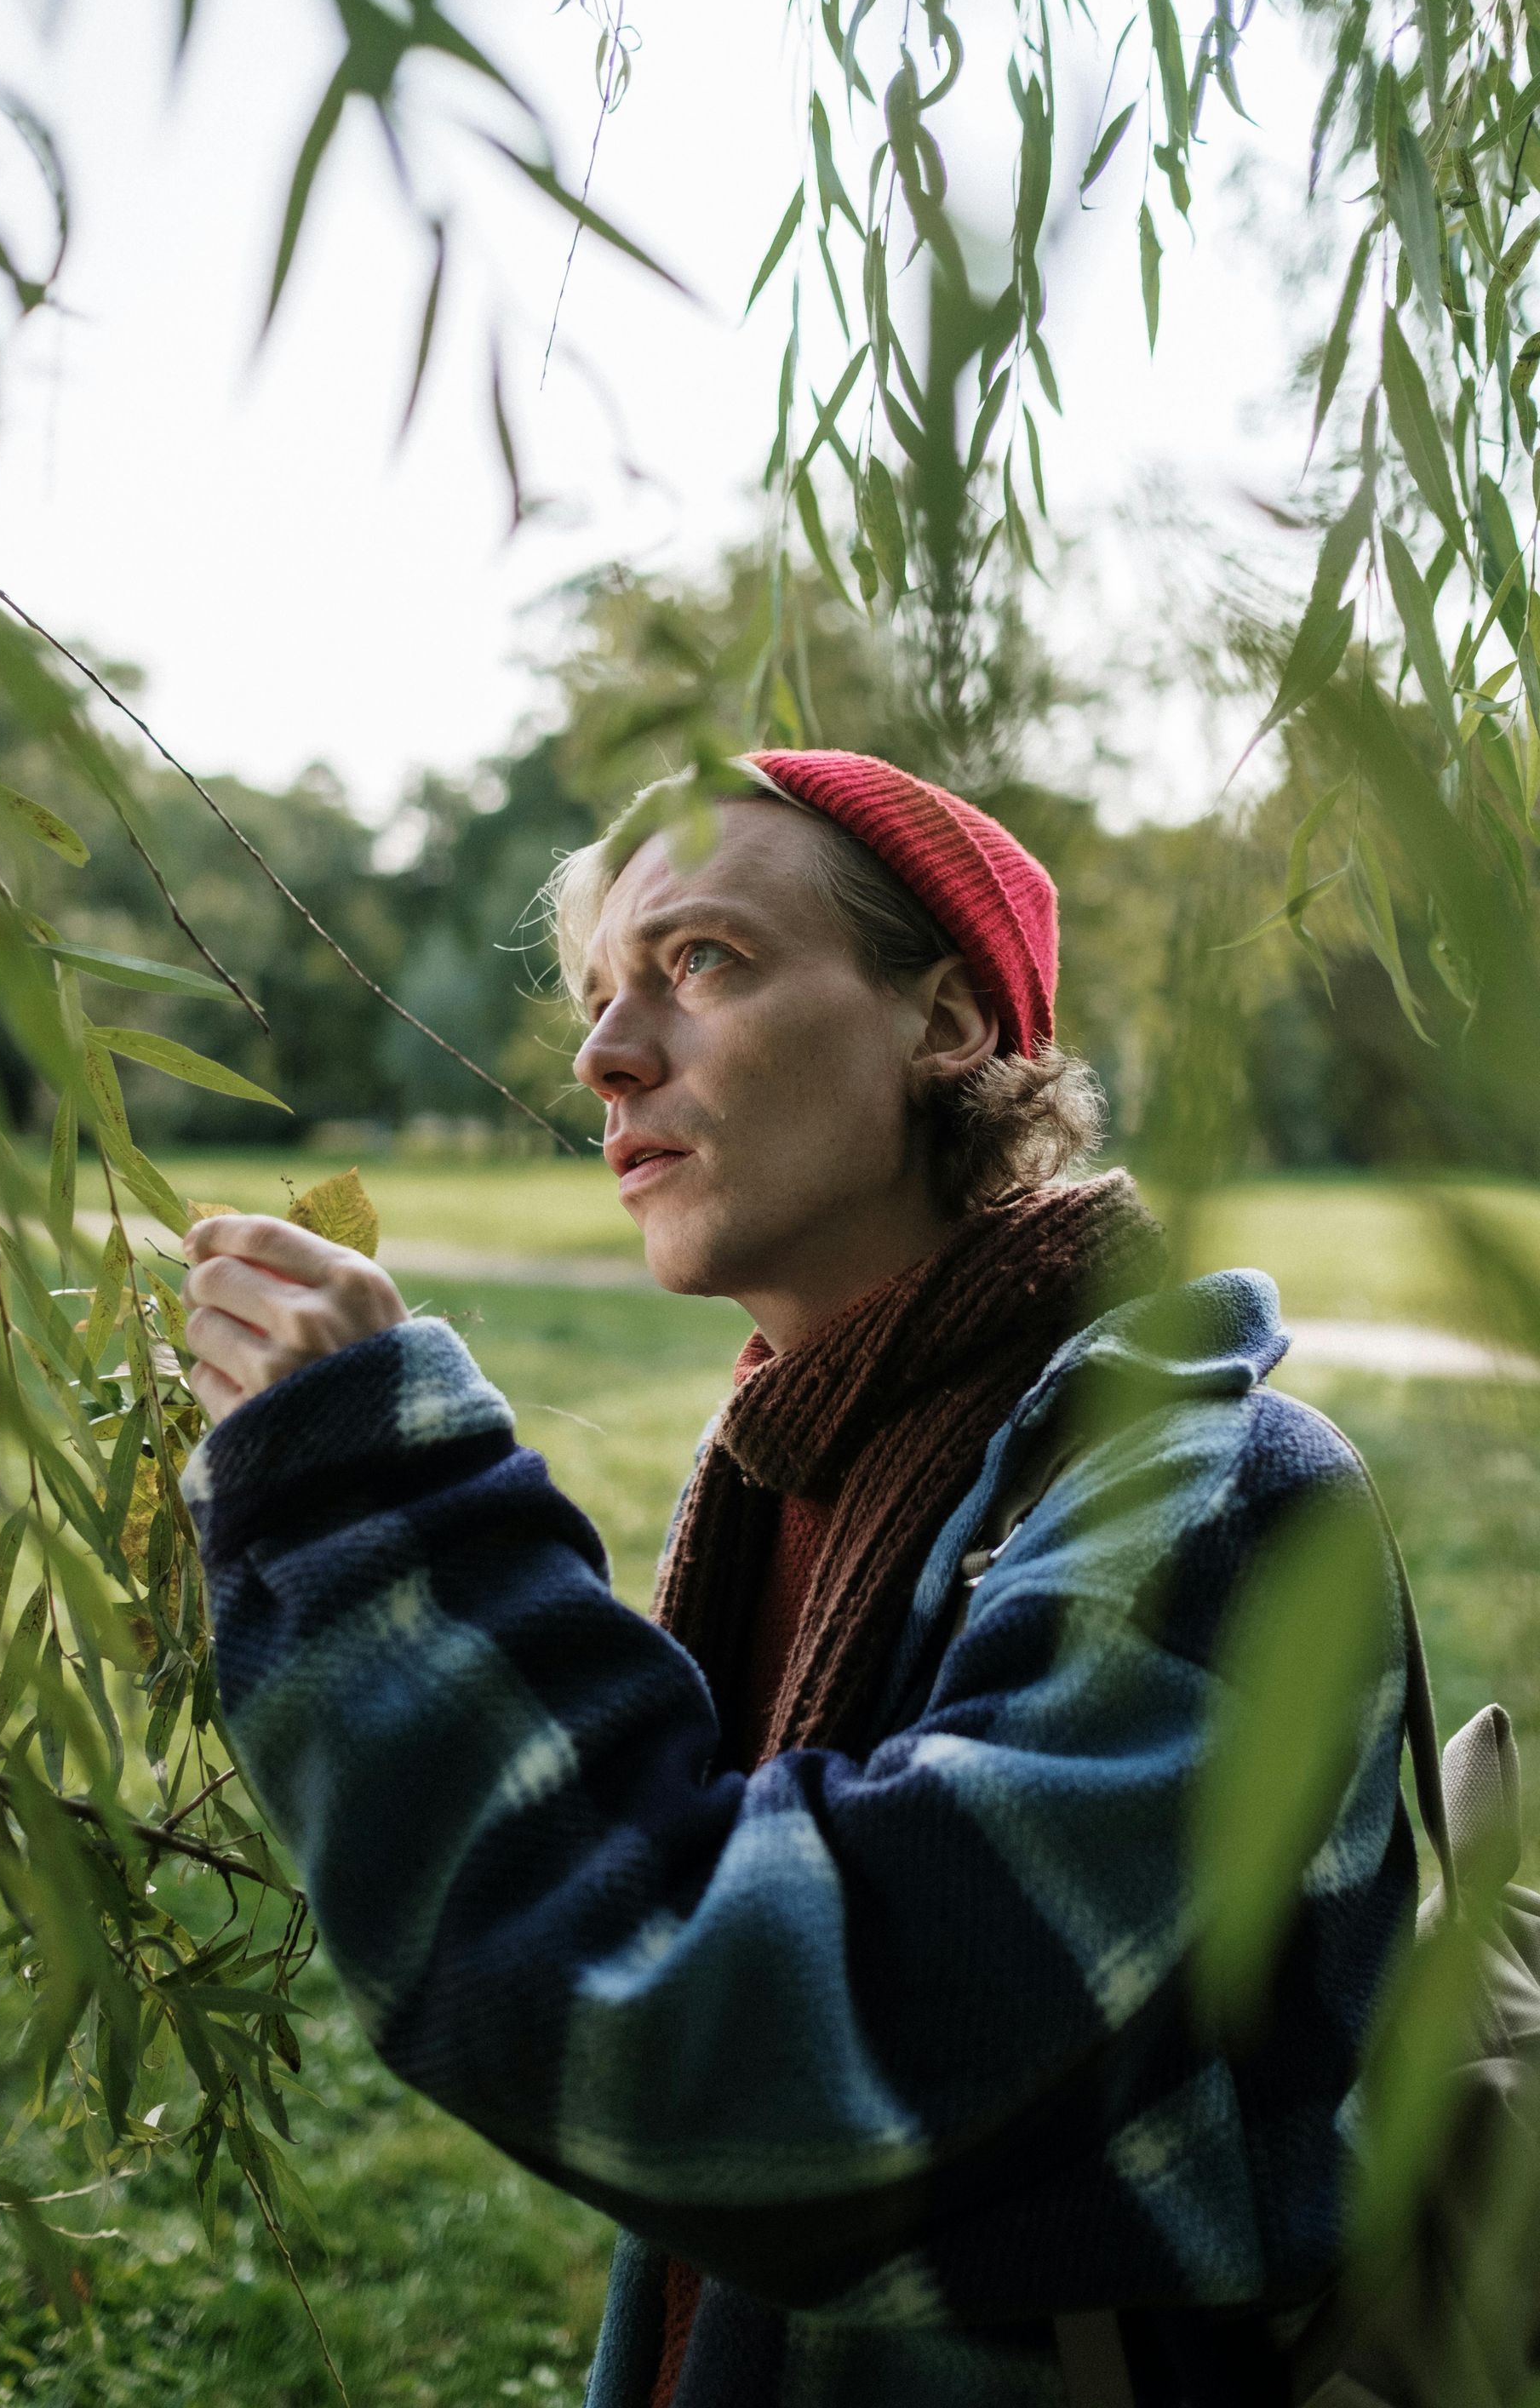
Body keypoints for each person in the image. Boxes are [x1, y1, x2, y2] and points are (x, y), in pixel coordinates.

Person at [180, 749, 1415, 2407]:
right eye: (603, 993)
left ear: (949, 1023)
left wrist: (381, 1504)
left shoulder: (1218, 1504)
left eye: (702, 963)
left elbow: (771, 2069)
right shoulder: (780, 1471)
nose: (604, 1058)